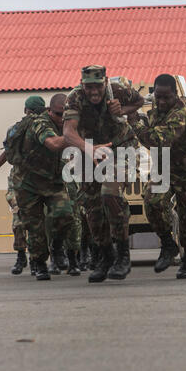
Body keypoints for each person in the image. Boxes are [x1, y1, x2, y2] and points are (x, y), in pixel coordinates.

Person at [63, 65, 144, 283]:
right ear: (82, 85)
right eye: (88, 87)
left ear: (105, 83)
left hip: (121, 148)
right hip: (90, 151)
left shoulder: (118, 91)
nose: (93, 92)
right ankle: (106, 257)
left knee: (110, 193)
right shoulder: (75, 98)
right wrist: (88, 149)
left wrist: (123, 110)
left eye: (97, 86)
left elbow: (139, 101)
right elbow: (68, 132)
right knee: (92, 207)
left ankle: (123, 256)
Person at [128, 74, 186, 279]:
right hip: (165, 167)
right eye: (159, 97)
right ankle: (167, 244)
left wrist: (134, 121)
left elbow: (156, 139)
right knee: (152, 202)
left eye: (166, 97)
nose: (162, 101)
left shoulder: (180, 113)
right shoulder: (156, 110)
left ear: (175, 94)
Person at [12, 94, 75, 281]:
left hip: (52, 181)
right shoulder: (40, 124)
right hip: (28, 183)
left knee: (65, 215)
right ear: (49, 110)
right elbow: (53, 144)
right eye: (57, 114)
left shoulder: (69, 123)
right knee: (35, 227)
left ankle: (56, 247)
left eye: (65, 115)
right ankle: (39, 264)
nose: (61, 118)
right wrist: (73, 136)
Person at [0, 96, 46, 275]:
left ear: (27, 110)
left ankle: (37, 259)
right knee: (20, 217)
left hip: (41, 180)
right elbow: (7, 153)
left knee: (38, 221)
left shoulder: (45, 128)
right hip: (19, 180)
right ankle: (21, 256)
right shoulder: (17, 130)